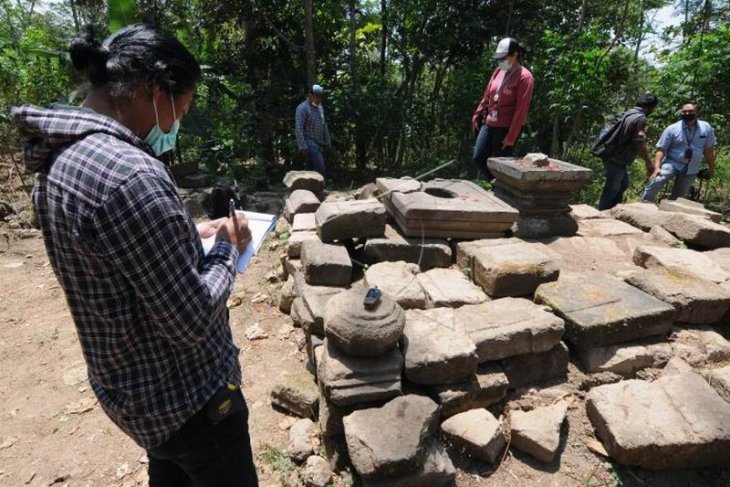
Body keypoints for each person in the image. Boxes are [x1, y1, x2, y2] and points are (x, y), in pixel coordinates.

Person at [12, 25, 258, 487]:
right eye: (180, 108)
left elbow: (118, 252)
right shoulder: (132, 177)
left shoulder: (60, 162)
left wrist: (188, 231)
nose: (177, 122)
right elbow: (189, 321)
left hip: (131, 389)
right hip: (190, 397)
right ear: (152, 91)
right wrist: (228, 246)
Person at [471, 37, 534, 179]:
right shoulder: (500, 70)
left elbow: (521, 110)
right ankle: (493, 181)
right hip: (490, 122)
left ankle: (499, 187)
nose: (500, 61)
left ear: (515, 55)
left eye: (504, 57)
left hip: (506, 126)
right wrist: (478, 113)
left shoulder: (525, 77)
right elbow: (488, 94)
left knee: (501, 163)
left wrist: (511, 136)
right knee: (478, 157)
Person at [641, 101, 716, 202]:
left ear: (697, 112)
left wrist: (711, 168)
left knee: (678, 197)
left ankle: (669, 214)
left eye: (690, 111)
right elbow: (661, 149)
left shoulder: (706, 127)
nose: (687, 114)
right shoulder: (672, 129)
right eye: (684, 111)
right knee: (657, 180)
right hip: (673, 162)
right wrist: (657, 167)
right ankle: (644, 203)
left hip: (692, 167)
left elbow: (708, 150)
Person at [597, 95, 658, 210]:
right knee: (612, 189)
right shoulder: (640, 118)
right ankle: (601, 215)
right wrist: (648, 162)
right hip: (618, 157)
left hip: (611, 153)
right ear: (651, 108)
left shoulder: (627, 113)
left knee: (623, 185)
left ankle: (613, 211)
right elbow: (639, 143)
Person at [295, 84, 331, 177]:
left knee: (310, 169)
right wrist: (302, 146)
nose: (319, 99)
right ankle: (320, 187)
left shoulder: (320, 108)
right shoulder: (302, 108)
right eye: (317, 96)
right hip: (309, 141)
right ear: (310, 95)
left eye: (320, 96)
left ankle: (309, 189)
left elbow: (324, 125)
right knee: (320, 167)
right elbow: (299, 128)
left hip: (319, 142)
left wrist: (327, 141)